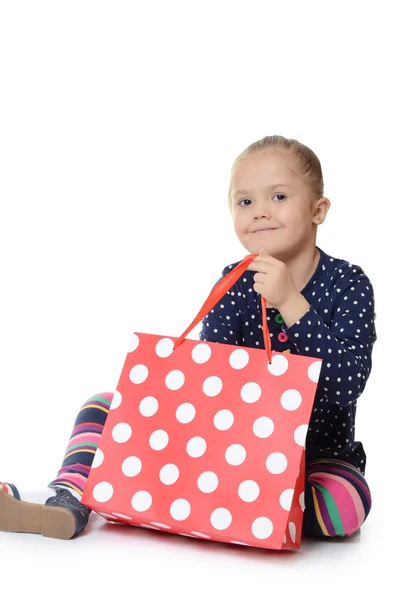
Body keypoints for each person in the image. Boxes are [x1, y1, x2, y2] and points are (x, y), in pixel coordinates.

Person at [0, 135, 376, 540]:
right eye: (245, 202)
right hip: (233, 457)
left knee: (344, 504)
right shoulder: (233, 285)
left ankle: (163, 499)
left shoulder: (348, 284)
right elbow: (211, 389)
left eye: (279, 196)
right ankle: (69, 497)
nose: (260, 212)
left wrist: (289, 301)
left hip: (316, 457)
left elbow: (347, 386)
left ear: (318, 210)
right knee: (102, 406)